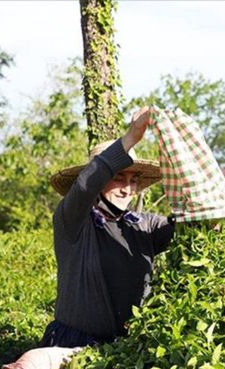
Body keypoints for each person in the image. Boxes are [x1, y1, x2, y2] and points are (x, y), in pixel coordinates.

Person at [40, 107, 175, 347]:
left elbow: (184, 228)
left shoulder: (143, 225)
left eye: (133, 181)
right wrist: (131, 137)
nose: (127, 189)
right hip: (74, 345)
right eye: (118, 178)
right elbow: (85, 187)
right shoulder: (72, 222)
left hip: (126, 348)